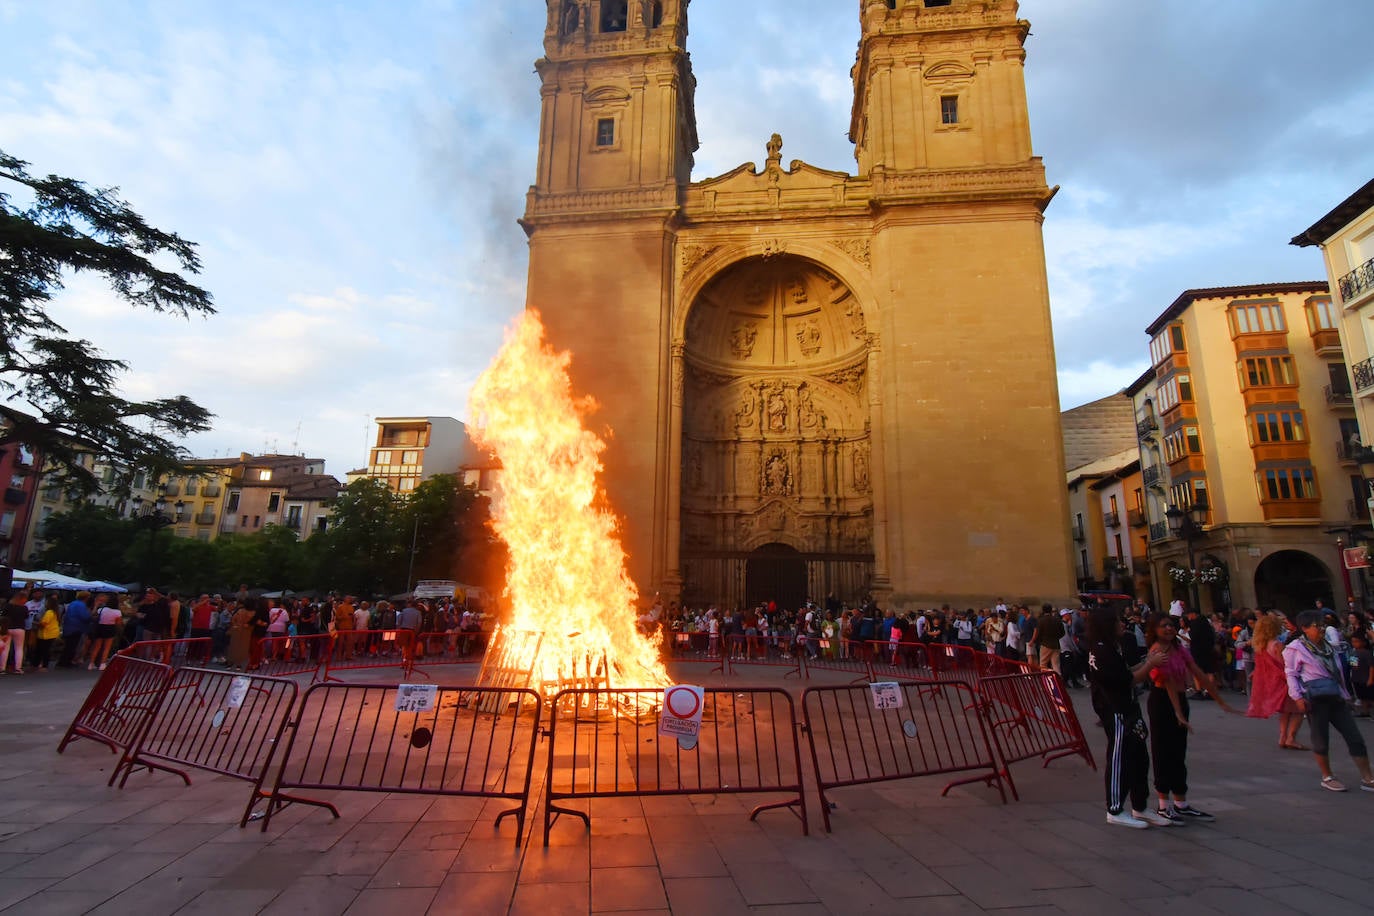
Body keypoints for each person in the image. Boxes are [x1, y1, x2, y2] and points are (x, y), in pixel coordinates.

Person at [1145, 613, 1239, 823]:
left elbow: (1198, 673)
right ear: (1154, 630)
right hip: (1162, 702)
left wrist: (1219, 700)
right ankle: (1163, 804)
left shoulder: (1178, 649)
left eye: (1170, 625)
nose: (1168, 629)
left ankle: (1181, 802)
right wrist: (1178, 712)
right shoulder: (1157, 652)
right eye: (1163, 626)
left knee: (1179, 751)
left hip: (1179, 699)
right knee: (1163, 751)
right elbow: (1166, 683)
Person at [1086, 606, 1172, 828]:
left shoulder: (1110, 648)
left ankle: (1140, 806)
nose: (1122, 624)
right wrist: (1151, 665)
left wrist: (1146, 662)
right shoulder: (1103, 650)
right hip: (1116, 710)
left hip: (1128, 708)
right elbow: (1128, 680)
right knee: (1119, 759)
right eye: (1116, 621)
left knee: (1139, 758)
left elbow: (1126, 671)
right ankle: (1114, 809)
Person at [1283, 609, 1374, 792]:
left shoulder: (1329, 646)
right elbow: (1291, 674)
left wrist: (1345, 694)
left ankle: (1368, 777)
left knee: (1355, 737)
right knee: (1321, 739)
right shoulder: (1295, 648)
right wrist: (1298, 697)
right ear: (1305, 628)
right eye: (1317, 625)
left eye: (1323, 625)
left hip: (1336, 696)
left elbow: (1339, 670)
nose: (1322, 629)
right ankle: (1327, 776)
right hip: (1315, 699)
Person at [1247, 613, 1305, 749]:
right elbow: (1284, 664)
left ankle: (1282, 736)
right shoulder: (1278, 645)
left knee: (1285, 712)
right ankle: (1291, 738)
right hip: (1284, 681)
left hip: (1273, 682)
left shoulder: (1260, 646)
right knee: (1298, 711)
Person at [87, 594, 122, 671]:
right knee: (106, 648)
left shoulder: (101, 610)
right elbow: (118, 623)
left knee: (96, 647)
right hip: (110, 628)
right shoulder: (117, 612)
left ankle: (91, 664)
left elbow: (94, 615)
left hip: (100, 628)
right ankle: (102, 664)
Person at [57, 591, 92, 668]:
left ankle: (63, 661)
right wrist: (90, 615)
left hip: (69, 626)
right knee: (72, 646)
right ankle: (65, 662)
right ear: (86, 598)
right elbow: (85, 617)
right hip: (76, 627)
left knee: (68, 646)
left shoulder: (73, 603)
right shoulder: (81, 605)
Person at [2, 589, 30, 674]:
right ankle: (18, 668)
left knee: (5, 649)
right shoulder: (24, 608)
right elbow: (26, 617)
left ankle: (2, 668)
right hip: (20, 628)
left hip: (8, 628)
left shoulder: (8, 606)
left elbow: (3, 616)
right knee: (19, 648)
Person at [1031, 604, 1065, 674]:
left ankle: (1046, 681)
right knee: (1056, 665)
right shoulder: (1057, 620)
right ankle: (1058, 681)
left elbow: (1038, 633)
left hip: (1045, 644)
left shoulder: (1041, 621)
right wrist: (1056, 638)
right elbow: (1062, 632)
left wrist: (1039, 641)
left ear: (1043, 610)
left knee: (1043, 664)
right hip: (1056, 644)